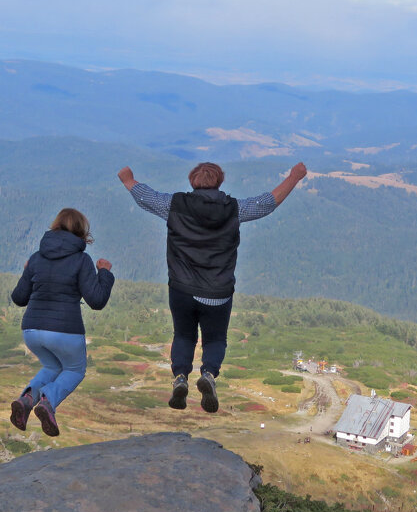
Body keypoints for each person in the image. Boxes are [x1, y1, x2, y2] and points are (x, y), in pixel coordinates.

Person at [117, 161, 307, 413]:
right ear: (220, 182)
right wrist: (294, 177)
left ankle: (180, 378)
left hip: (181, 289)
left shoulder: (174, 205)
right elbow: (268, 203)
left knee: (183, 335)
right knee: (215, 338)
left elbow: (145, 197)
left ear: (192, 182)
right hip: (218, 292)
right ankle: (208, 374)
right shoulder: (235, 209)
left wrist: (128, 180)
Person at [9, 207, 114, 436]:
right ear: (81, 233)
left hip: (32, 331)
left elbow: (18, 298)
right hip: (65, 330)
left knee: (53, 366)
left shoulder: (36, 258)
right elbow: (96, 301)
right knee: (74, 370)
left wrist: (26, 273)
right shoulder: (81, 260)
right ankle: (47, 402)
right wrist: (104, 273)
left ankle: (27, 399)